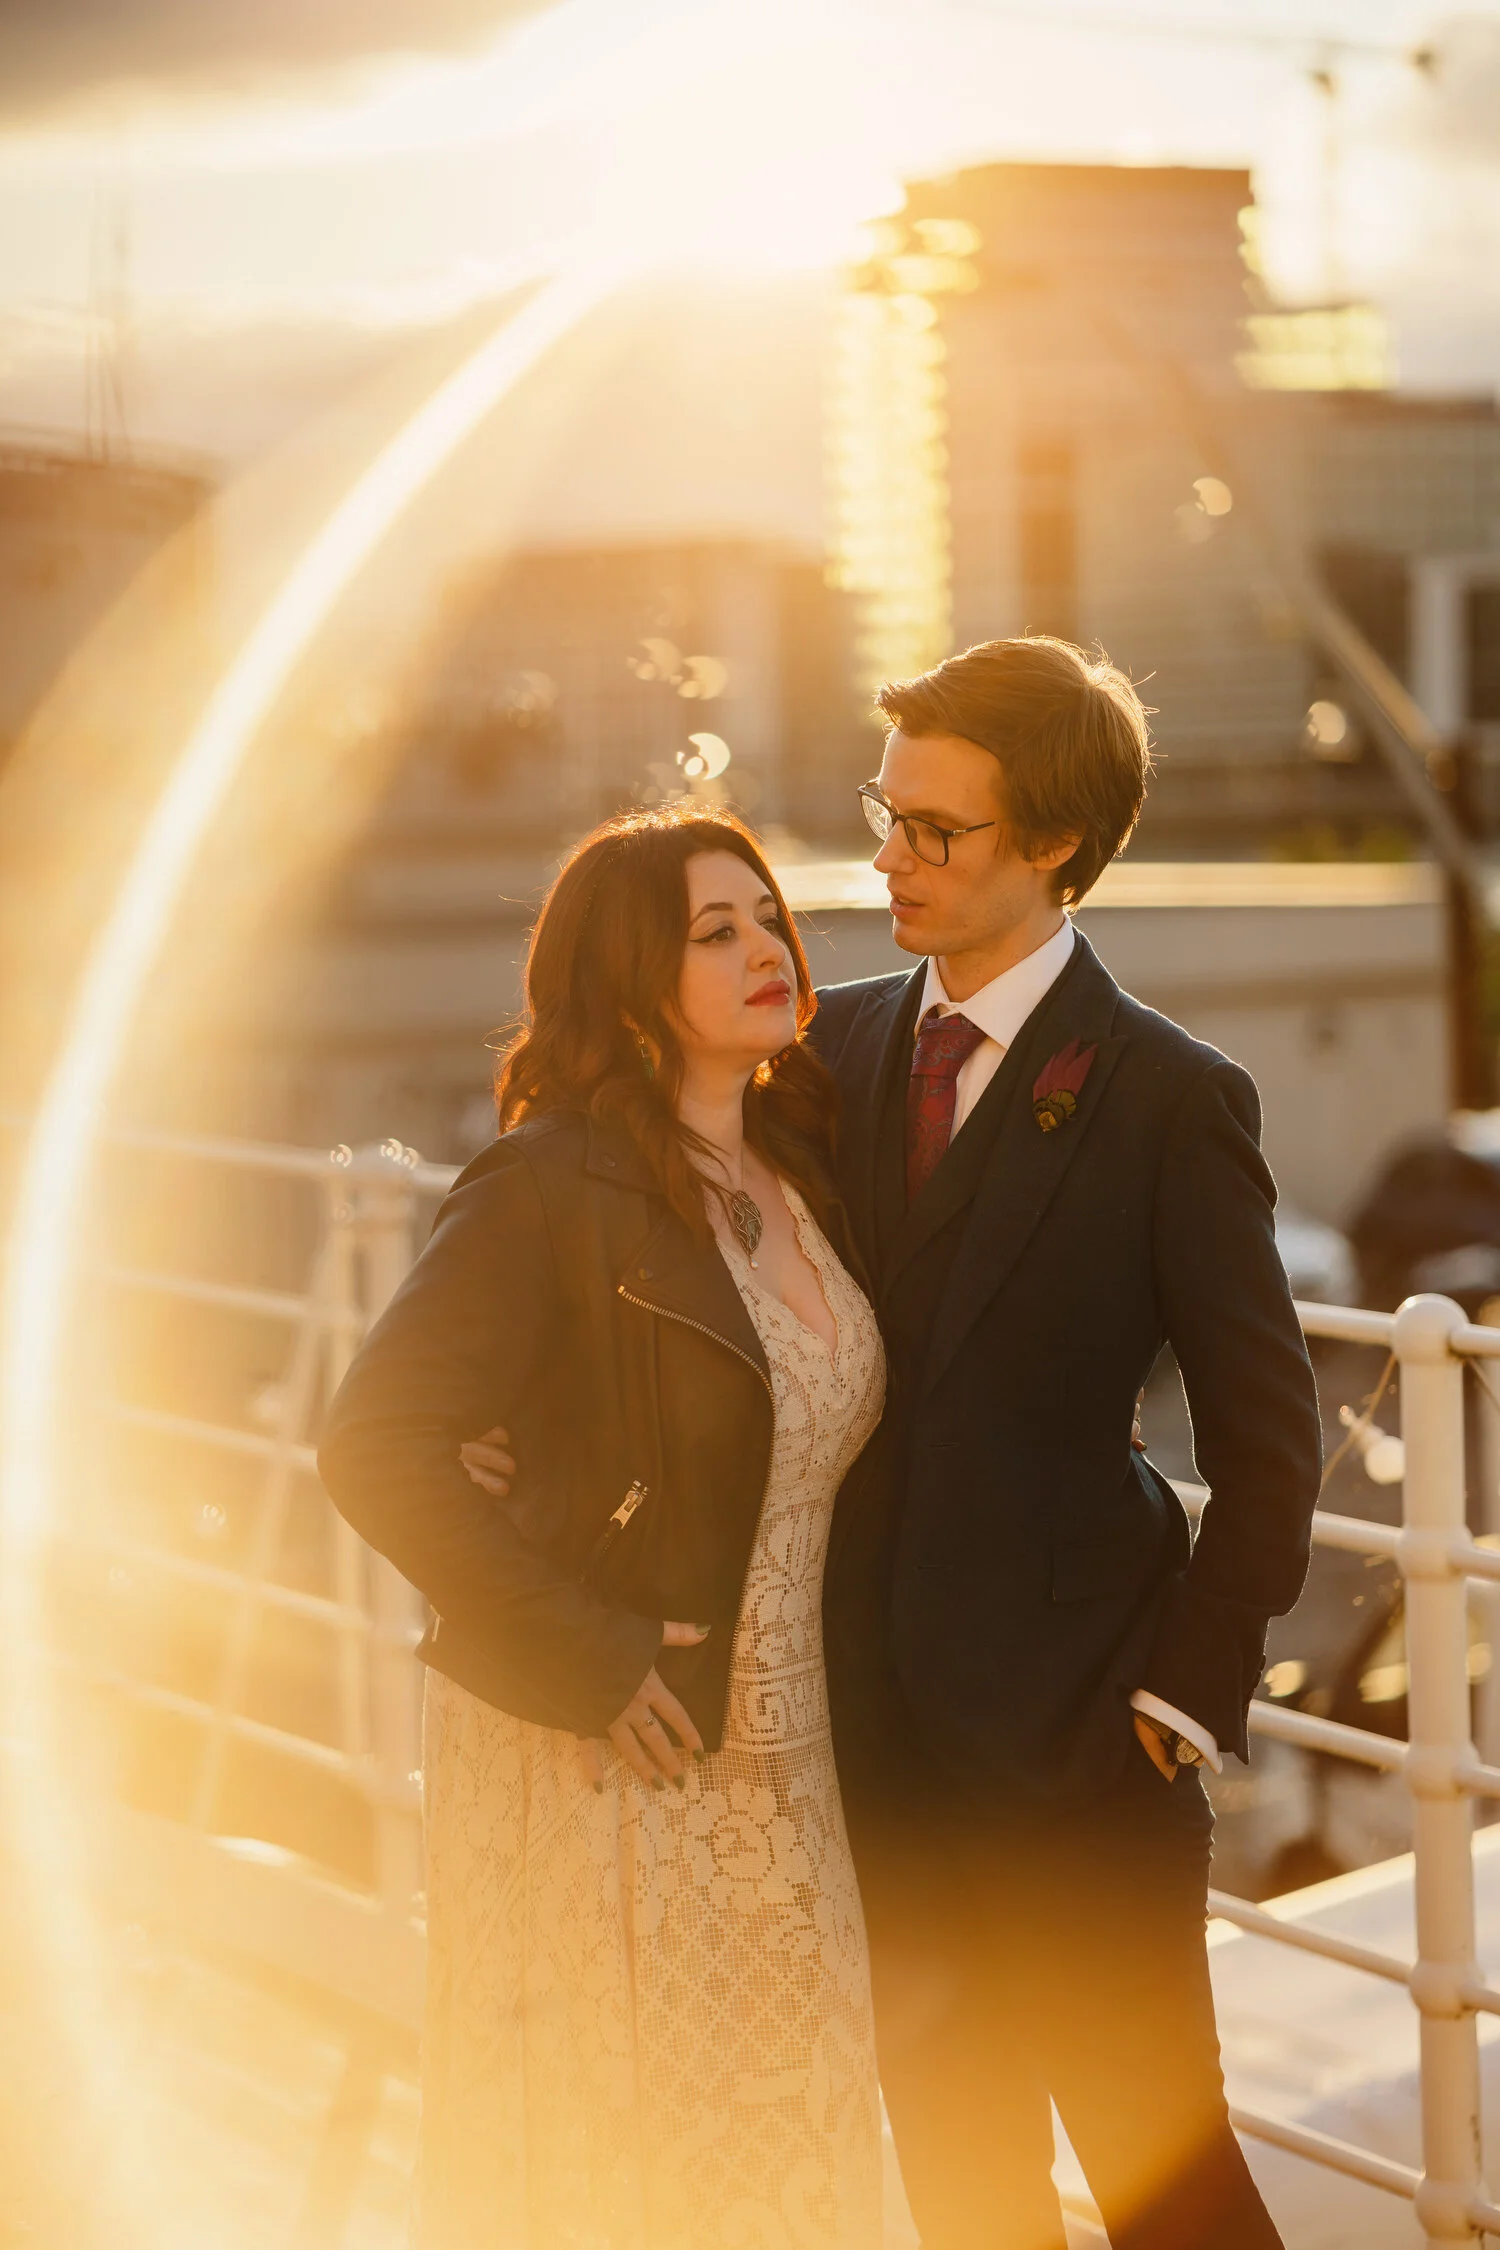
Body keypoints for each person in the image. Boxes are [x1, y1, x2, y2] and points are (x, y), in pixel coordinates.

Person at [804, 635, 1323, 2250]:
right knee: (963, 2188)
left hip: (1089, 1747)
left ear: (1051, 846)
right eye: (884, 812)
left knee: (1168, 2187)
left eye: (934, 831)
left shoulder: (1176, 1094)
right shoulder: (825, 1048)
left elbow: (1270, 1433)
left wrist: (1182, 1694)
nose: (889, 855)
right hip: (872, 1746)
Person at [317, 808, 887, 2250]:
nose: (768, 945)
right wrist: (585, 1653)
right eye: (716, 930)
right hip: (619, 1750)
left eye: (769, 915)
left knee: (796, 2144)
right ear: (632, 979)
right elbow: (374, 1440)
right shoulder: (549, 1182)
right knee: (637, 2170)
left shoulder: (807, 1162)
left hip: (795, 1762)